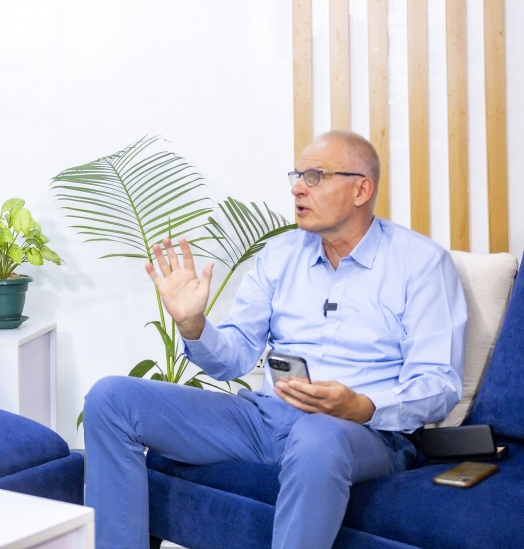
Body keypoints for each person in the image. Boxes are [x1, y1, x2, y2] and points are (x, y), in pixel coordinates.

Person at [83, 131, 467, 549]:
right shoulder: (280, 255)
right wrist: (194, 325)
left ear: (361, 189)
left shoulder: (422, 264)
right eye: (298, 174)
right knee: (111, 398)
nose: (297, 187)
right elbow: (234, 358)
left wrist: (360, 406)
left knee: (318, 435)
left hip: (365, 433)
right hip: (264, 419)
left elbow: (438, 384)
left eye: (315, 176)